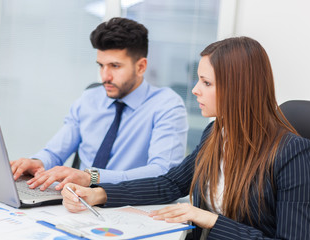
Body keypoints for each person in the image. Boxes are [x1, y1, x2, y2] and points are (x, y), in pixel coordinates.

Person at [62, 36, 310, 239]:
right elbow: (170, 183)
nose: (195, 90)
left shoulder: (293, 154)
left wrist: (211, 220)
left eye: (206, 82)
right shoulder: (216, 133)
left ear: (238, 89)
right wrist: (100, 194)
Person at [10, 17, 188, 191]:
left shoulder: (166, 106)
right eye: (101, 65)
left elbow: (164, 172)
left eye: (115, 66)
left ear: (141, 67)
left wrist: (91, 177)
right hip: (76, 199)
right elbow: (55, 152)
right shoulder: (89, 99)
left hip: (128, 204)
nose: (105, 76)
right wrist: (36, 163)